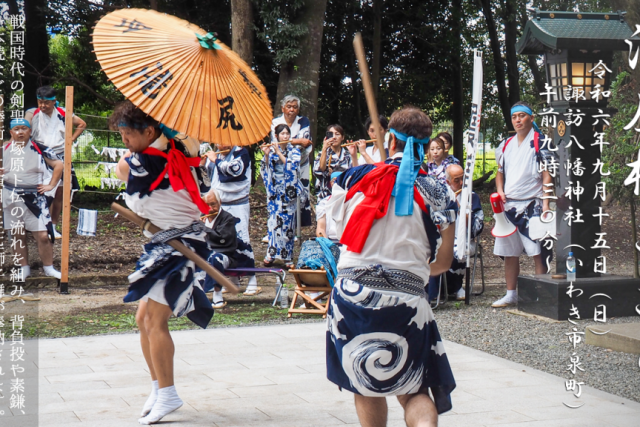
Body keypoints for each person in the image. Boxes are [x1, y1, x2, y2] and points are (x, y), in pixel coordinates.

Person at [326, 106, 457, 427]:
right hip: (407, 298)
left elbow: (336, 233)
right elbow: (442, 263)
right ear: (428, 148)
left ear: (390, 141)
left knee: (366, 385)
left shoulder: (352, 177)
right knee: (414, 390)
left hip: (352, 295)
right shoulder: (440, 193)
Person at [112, 101, 212, 425]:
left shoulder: (150, 160)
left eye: (128, 133)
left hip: (183, 244)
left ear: (150, 131)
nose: (125, 139)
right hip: (165, 243)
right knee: (143, 318)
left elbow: (126, 183)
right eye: (122, 133)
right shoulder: (179, 152)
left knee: (155, 321)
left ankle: (168, 393)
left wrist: (124, 163)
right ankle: (158, 387)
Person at [492, 101, 553, 308]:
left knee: (537, 251)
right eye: (514, 116)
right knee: (510, 252)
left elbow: (547, 176)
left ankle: (541, 294)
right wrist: (500, 191)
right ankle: (511, 293)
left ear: (531, 118)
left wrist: (546, 205)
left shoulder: (540, 142)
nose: (518, 120)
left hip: (532, 203)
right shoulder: (506, 145)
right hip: (509, 204)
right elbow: (499, 173)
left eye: (522, 116)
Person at [2, 118, 64, 280]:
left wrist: (51, 185)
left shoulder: (39, 148)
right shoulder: (4, 149)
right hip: (11, 195)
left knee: (43, 235)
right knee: (17, 233)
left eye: (24, 129)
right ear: (11, 132)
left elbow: (59, 165)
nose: (20, 132)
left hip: (35, 197)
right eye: (16, 129)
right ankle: (24, 268)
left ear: (30, 131)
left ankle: (49, 267)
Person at [25, 86, 86, 239]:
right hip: (40, 154)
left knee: (59, 192)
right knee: (39, 190)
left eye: (46, 103)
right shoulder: (33, 113)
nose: (42, 106)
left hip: (60, 155)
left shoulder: (64, 113)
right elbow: (24, 129)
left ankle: (53, 225)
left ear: (53, 102)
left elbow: (82, 124)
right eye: (40, 102)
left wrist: (71, 139)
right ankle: (38, 224)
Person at [204, 143, 260, 297]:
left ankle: (251, 280)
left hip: (237, 204)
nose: (222, 144)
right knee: (221, 242)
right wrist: (206, 163)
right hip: (219, 206)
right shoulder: (217, 154)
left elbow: (235, 171)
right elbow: (210, 179)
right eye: (219, 141)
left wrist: (215, 160)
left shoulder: (241, 153)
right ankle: (231, 281)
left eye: (226, 140)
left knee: (241, 241)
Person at [427, 164, 484, 303]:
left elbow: (478, 226)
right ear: (448, 182)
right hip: (443, 237)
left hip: (464, 239)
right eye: (456, 180)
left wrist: (462, 211)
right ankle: (434, 292)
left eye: (462, 179)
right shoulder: (442, 197)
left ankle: (457, 287)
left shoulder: (472, 197)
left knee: (456, 249)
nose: (460, 183)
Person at [261, 124, 303, 269]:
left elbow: (293, 167)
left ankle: (287, 257)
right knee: (273, 225)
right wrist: (267, 154)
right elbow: (265, 170)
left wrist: (279, 153)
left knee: (287, 226)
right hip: (275, 193)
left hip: (288, 193)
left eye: (287, 133)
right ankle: (271, 254)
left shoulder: (294, 151)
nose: (285, 136)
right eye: (282, 134)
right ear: (277, 136)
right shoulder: (271, 151)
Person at [269, 95, 313, 230]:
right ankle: (281, 226)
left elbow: (305, 140)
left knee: (301, 193)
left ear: (298, 110)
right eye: (289, 107)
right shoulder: (275, 122)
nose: (292, 110)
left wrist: (289, 141)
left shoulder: (303, 121)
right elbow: (276, 141)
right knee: (282, 194)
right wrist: (297, 140)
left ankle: (298, 227)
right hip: (281, 165)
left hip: (301, 163)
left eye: (295, 107)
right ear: (283, 108)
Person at [201, 188, 240, 309]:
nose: (210, 209)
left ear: (220, 203)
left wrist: (205, 229)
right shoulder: (201, 218)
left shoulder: (227, 218)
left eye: (213, 204)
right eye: (206, 205)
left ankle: (217, 294)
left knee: (215, 258)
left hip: (225, 256)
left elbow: (223, 239)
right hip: (204, 255)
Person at [313, 124, 355, 200]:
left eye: (337, 134)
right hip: (326, 195)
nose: (334, 137)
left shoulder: (348, 155)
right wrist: (324, 148)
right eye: (331, 134)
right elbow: (319, 170)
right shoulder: (322, 153)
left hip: (344, 194)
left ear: (342, 137)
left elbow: (354, 172)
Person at [316, 172, 342, 242]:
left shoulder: (352, 201)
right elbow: (320, 229)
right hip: (329, 241)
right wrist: (328, 244)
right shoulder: (323, 203)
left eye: (339, 180)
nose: (337, 183)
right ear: (330, 183)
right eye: (334, 181)